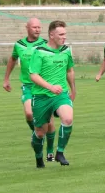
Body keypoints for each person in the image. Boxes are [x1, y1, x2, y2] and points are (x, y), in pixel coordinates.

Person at [3, 18, 57, 162]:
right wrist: (6, 79)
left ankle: (50, 151)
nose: (37, 30)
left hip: (44, 87)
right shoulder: (19, 45)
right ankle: (37, 133)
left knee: (50, 122)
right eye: (34, 27)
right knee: (28, 114)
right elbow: (13, 59)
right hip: (28, 86)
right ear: (27, 27)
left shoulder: (46, 44)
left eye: (39, 27)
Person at [29, 20, 76, 168]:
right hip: (41, 96)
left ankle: (60, 152)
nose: (64, 37)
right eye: (61, 34)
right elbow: (33, 75)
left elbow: (69, 70)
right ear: (51, 35)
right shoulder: (39, 51)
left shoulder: (66, 51)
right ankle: (38, 157)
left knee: (68, 119)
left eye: (65, 34)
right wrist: (50, 87)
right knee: (40, 132)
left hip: (60, 94)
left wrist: (73, 89)